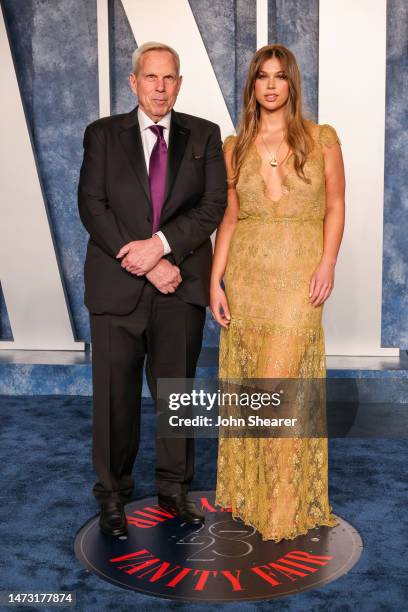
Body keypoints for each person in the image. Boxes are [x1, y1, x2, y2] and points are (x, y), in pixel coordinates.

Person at [78, 42, 227, 536]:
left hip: (180, 285)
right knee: (114, 400)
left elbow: (211, 206)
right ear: (133, 82)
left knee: (176, 397)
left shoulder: (204, 135)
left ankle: (174, 489)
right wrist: (144, 262)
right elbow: (92, 206)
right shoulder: (102, 135)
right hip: (118, 286)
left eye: (169, 78)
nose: (160, 87)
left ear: (179, 84)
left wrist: (162, 247)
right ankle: (114, 497)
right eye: (150, 77)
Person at [210, 44, 345, 541]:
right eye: (262, 77)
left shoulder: (321, 139)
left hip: (299, 278)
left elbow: (336, 205)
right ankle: (261, 498)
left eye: (279, 76)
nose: (271, 85)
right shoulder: (234, 145)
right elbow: (229, 217)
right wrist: (214, 282)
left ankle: (284, 505)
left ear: (292, 84)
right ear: (253, 86)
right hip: (247, 279)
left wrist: (328, 262)